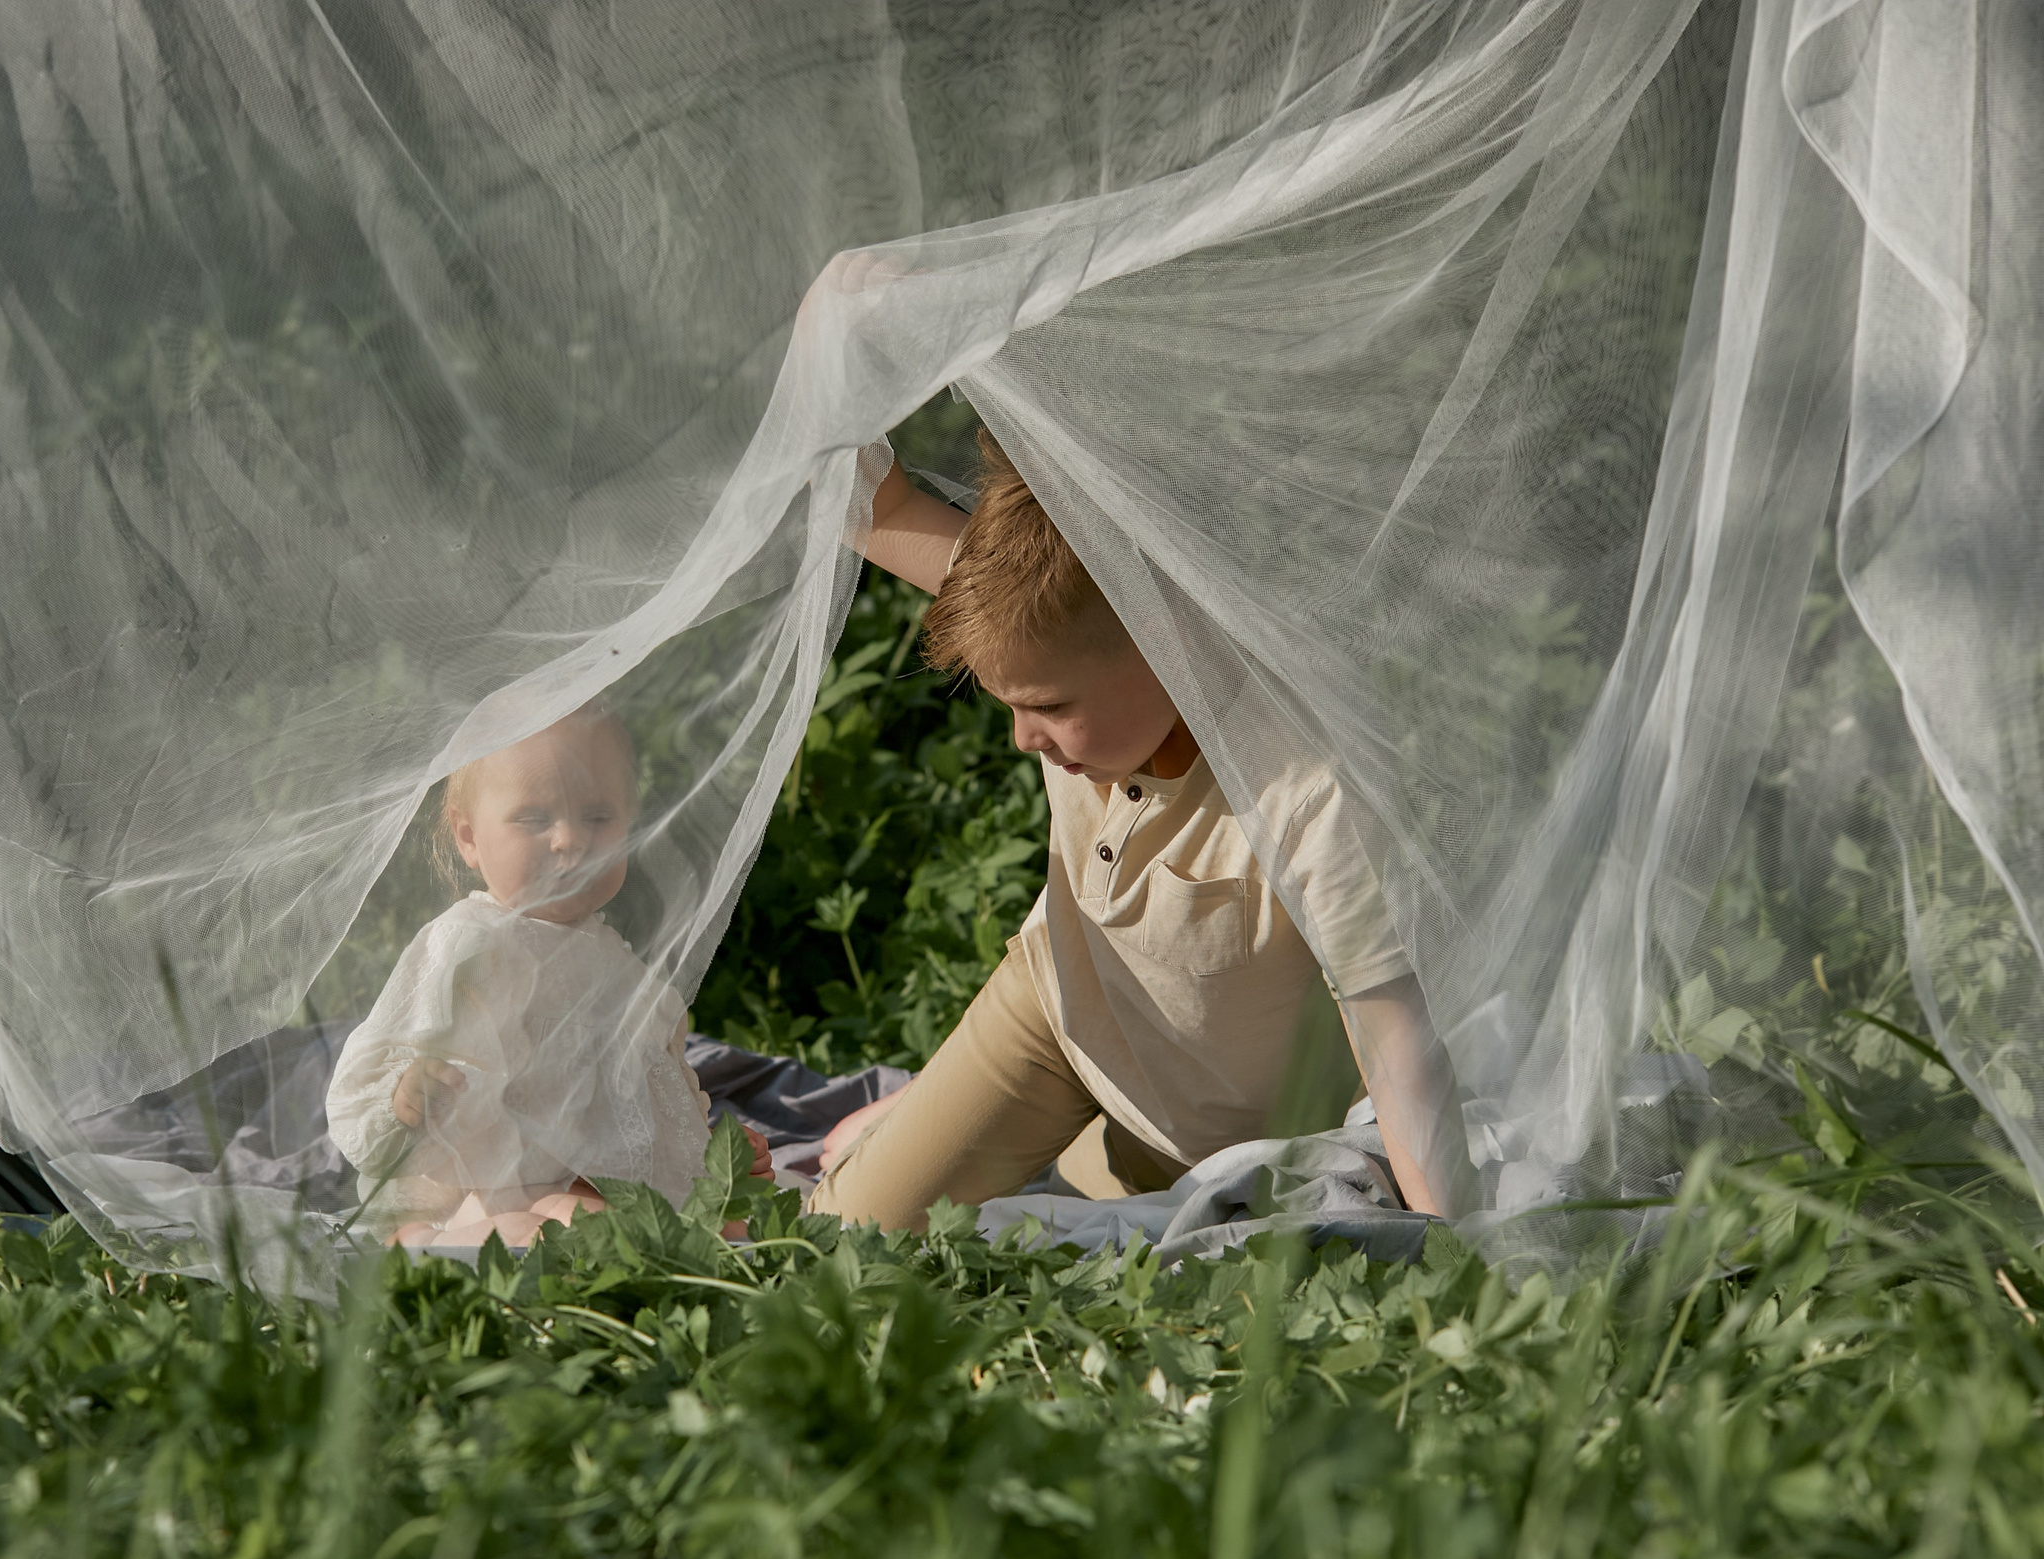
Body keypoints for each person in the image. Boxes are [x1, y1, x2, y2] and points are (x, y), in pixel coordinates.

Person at [810, 434, 1471, 1227]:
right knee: (847, 1227)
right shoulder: (1035, 609)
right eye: (1006, 703)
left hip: (1214, 1127)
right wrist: (824, 361)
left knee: (1104, 1213)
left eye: (1049, 706)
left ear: (1165, 640)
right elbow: (874, 505)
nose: (1023, 737)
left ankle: (1065, 1158)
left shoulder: (1304, 791)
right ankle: (961, 1123)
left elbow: (1396, 1050)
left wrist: (1455, 1243)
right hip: (1063, 1013)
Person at [325, 707, 762, 1248]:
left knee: (729, 1231)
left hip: (605, 1182)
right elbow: (381, 1057)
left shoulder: (617, 963)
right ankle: (426, 1240)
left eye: (598, 817)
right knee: (594, 1229)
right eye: (534, 819)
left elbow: (648, 1092)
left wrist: (707, 1151)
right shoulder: (471, 943)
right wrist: (404, 1094)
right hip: (496, 1185)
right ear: (468, 837)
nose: (569, 840)